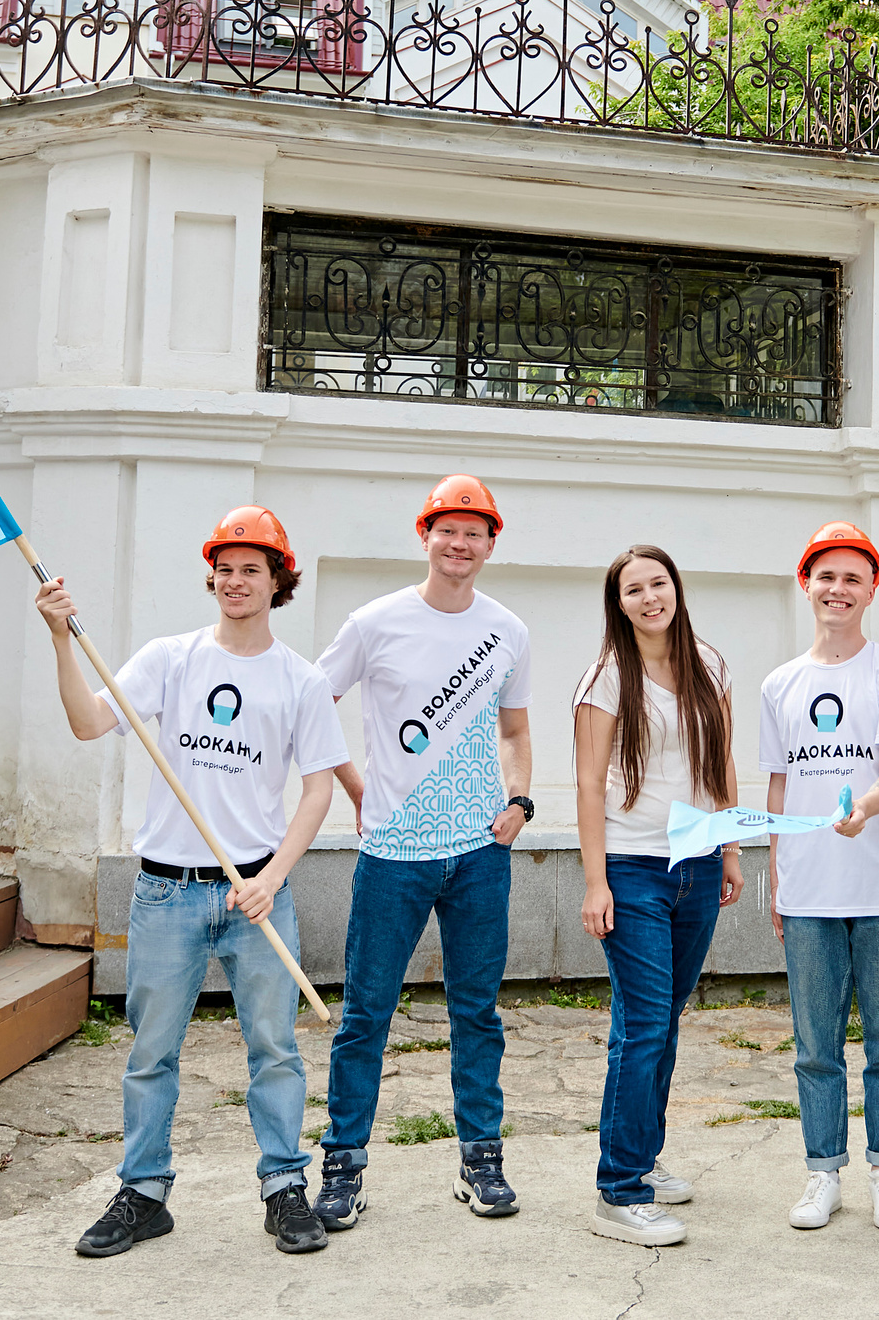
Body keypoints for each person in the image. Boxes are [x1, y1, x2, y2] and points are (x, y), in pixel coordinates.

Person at [34, 505, 346, 1259]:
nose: (235, 581)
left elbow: (318, 791)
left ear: (277, 582)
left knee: (274, 1049)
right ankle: (143, 1193)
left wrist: (273, 877)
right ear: (212, 577)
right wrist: (60, 638)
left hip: (256, 895)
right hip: (166, 892)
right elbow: (88, 722)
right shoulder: (169, 659)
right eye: (225, 568)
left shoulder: (300, 680)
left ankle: (284, 1186)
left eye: (252, 569)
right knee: (151, 1052)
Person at [313, 474, 535, 1231]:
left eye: (474, 532)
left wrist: (519, 801)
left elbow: (514, 730)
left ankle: (481, 1160)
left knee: (477, 1012)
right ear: (426, 535)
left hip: (480, 854)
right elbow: (312, 704)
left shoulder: (508, 630)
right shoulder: (374, 622)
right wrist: (355, 786)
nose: (459, 543)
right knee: (365, 1015)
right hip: (393, 854)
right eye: (448, 529)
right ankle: (342, 1165)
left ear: (490, 544)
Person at [574, 544, 744, 1247]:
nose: (650, 597)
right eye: (633, 589)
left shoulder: (711, 664)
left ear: (676, 588)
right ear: (618, 604)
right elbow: (588, 784)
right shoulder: (606, 679)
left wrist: (730, 847)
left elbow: (721, 760)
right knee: (643, 1023)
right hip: (632, 867)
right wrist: (595, 881)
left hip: (697, 864)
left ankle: (642, 1153)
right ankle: (619, 1189)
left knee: (665, 1020)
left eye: (658, 583)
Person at [759, 522, 879, 1232]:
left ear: (872, 589)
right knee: (815, 1046)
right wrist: (777, 877)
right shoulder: (780, 684)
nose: (838, 589)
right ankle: (822, 1171)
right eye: (827, 576)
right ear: (807, 584)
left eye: (853, 577)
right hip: (809, 889)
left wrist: (869, 807)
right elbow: (778, 785)